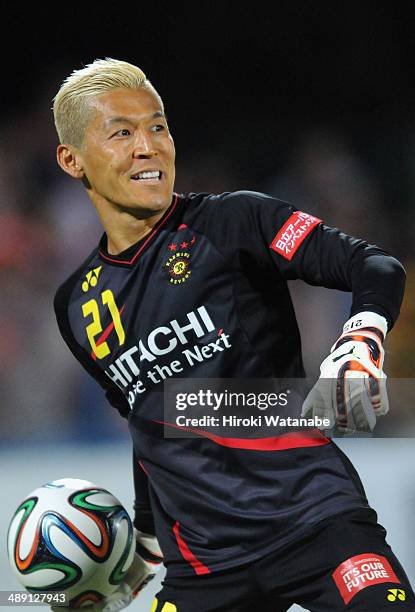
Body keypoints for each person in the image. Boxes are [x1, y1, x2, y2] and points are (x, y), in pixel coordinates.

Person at [52, 58, 414, 611]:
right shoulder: (75, 305)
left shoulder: (234, 222)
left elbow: (375, 266)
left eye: (158, 126)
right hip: (203, 571)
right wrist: (145, 544)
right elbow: (149, 422)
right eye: (121, 133)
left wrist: (361, 336)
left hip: (317, 522)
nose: (148, 146)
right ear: (72, 159)